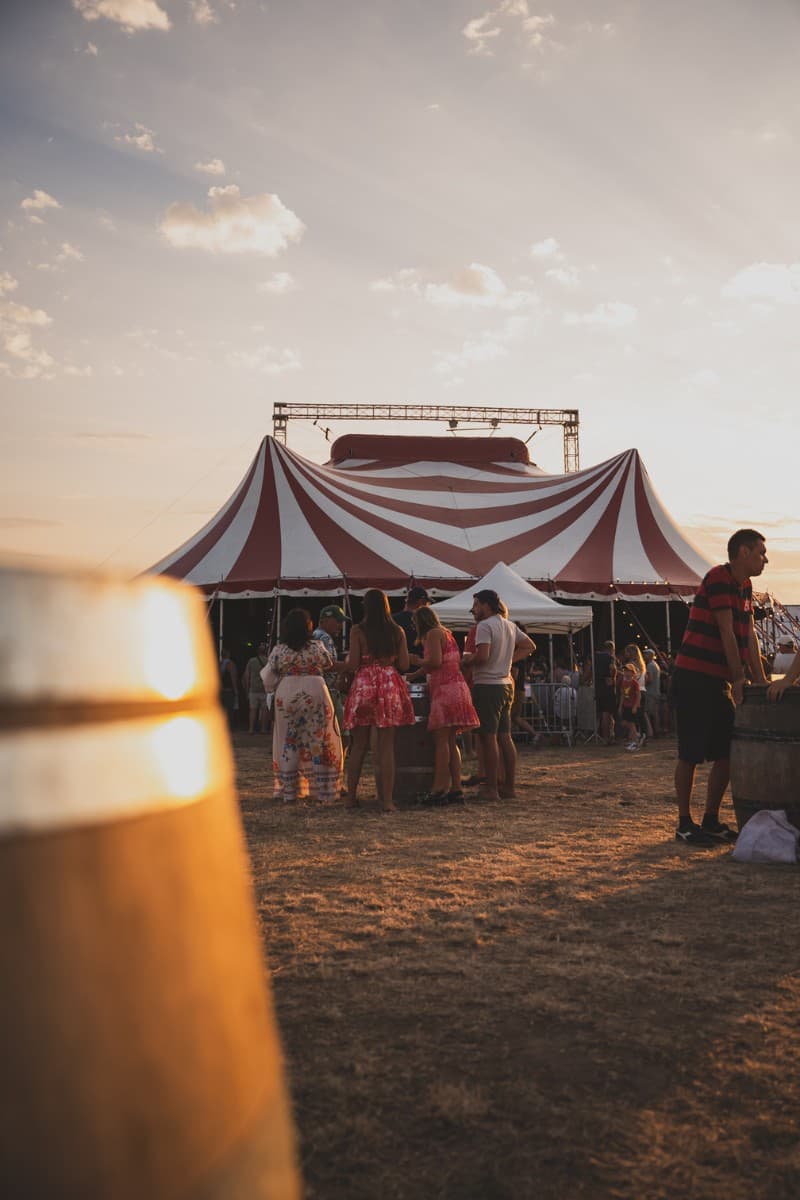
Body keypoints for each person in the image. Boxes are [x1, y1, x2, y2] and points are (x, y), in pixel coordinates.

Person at [670, 529, 769, 846]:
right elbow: (727, 631)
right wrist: (741, 678)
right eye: (760, 552)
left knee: (727, 751)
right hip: (694, 676)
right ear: (742, 552)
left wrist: (760, 679)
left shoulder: (745, 586)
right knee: (691, 753)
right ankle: (685, 823)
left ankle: (710, 818)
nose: (765, 559)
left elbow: (748, 634)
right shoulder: (718, 578)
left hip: (718, 680)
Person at [343, 589, 415, 811]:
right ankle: (387, 801)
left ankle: (351, 797)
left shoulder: (358, 630)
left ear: (366, 606)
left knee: (359, 746)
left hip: (364, 684)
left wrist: (336, 666)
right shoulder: (397, 631)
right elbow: (403, 665)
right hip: (388, 684)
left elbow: (353, 664)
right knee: (386, 748)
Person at [460, 589, 535, 803]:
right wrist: (508, 661)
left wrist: (466, 661)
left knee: (488, 737)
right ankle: (509, 787)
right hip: (505, 685)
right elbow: (530, 646)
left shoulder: (484, 626)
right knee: (505, 736)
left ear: (486, 605)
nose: (473, 610)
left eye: (475, 605)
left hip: (487, 685)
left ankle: (491, 789)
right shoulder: (510, 625)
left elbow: (482, 657)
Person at [261, 609, 343, 804]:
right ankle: (323, 791)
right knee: (319, 739)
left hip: (287, 694)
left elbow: (267, 678)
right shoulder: (317, 647)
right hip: (315, 691)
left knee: (289, 740)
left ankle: (290, 792)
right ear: (309, 627)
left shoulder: (279, 650)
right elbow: (328, 662)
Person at [410, 606, 479, 804]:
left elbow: (434, 663)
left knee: (440, 741)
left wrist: (416, 660)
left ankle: (438, 788)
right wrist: (414, 675)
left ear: (421, 621)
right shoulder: (446, 633)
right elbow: (446, 662)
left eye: (415, 623)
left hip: (445, 690)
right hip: (457, 688)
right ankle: (456, 788)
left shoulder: (432, 634)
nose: (414, 626)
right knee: (450, 741)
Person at [312, 605, 347, 735]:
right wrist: (349, 664)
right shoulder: (324, 637)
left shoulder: (315, 634)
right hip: (328, 690)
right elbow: (327, 665)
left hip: (319, 689)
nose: (340, 626)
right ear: (325, 620)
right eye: (337, 621)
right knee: (341, 732)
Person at [393, 586, 430, 655]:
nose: (427, 606)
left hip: (399, 661)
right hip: (419, 662)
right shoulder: (425, 621)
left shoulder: (392, 619)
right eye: (426, 603)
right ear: (421, 602)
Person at [242, 642, 270, 734]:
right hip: (265, 688)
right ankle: (263, 729)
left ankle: (251, 729)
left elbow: (246, 676)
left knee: (253, 710)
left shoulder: (251, 661)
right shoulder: (268, 661)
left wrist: (247, 688)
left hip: (253, 689)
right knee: (264, 710)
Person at [594, 640, 617, 744]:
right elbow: (612, 669)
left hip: (598, 687)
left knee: (603, 713)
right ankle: (608, 737)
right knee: (607, 713)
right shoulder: (610, 658)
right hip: (607, 688)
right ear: (611, 649)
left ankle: (604, 737)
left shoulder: (596, 657)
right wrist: (614, 676)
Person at [618, 663, 642, 750]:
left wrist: (635, 706)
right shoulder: (624, 683)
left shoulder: (635, 683)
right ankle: (635, 735)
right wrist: (620, 706)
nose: (626, 673)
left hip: (632, 706)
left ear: (633, 673)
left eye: (628, 671)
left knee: (631, 724)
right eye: (625, 671)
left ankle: (634, 742)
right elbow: (622, 695)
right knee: (625, 723)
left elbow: (639, 695)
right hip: (626, 706)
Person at [219, 645, 238, 731]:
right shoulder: (230, 664)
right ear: (228, 654)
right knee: (229, 709)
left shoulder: (219, 663)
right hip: (229, 690)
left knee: (221, 709)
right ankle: (228, 727)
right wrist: (235, 689)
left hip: (221, 690)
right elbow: (233, 677)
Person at [643, 648, 661, 737]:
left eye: (645, 654)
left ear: (650, 655)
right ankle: (656, 731)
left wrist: (642, 683)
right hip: (656, 692)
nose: (644, 656)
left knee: (648, 713)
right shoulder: (656, 665)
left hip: (650, 692)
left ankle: (651, 732)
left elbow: (649, 679)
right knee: (655, 713)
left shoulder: (650, 665)